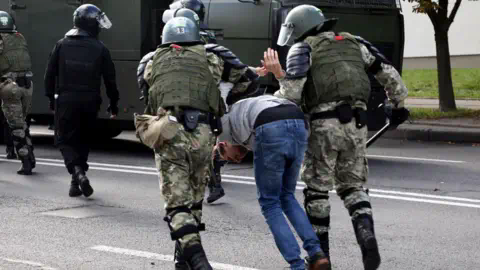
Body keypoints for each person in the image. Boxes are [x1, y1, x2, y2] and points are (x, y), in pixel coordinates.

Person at [261, 5, 409, 270]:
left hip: (324, 126)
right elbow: (391, 76)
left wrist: (271, 98)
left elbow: (292, 94)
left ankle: (321, 255)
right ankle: (366, 234)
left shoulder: (303, 49)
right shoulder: (355, 43)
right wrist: (397, 105)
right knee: (353, 186)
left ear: (301, 28)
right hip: (358, 123)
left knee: (317, 191)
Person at [142, 16, 259, 270]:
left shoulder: (151, 61)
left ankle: (197, 260)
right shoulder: (214, 57)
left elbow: (147, 94)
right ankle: (182, 258)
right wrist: (219, 100)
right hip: (204, 132)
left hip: (169, 130)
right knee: (194, 199)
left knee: (177, 205)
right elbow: (249, 79)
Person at [216, 95, 330, 270]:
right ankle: (316, 253)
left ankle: (297, 265)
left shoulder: (225, 128)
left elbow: (211, 132)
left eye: (229, 157)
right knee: (287, 196)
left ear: (224, 144)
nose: (238, 159)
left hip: (269, 123)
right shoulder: (245, 120)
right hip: (298, 122)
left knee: (269, 203)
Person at [138, 2, 229, 203]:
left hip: (179, 107)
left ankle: (203, 190)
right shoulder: (207, 36)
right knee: (206, 144)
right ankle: (213, 183)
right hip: (205, 99)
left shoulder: (177, 38)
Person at [44, 4, 119, 197]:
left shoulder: (61, 44)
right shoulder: (100, 48)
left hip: (66, 101)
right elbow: (110, 79)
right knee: (83, 140)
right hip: (90, 101)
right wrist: (114, 103)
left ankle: (76, 171)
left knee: (63, 140)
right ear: (92, 24)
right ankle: (75, 183)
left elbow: (49, 75)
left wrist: (50, 99)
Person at [0, 10, 35, 174]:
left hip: (10, 87)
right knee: (23, 123)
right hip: (27, 86)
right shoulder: (20, 37)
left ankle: (26, 162)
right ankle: (32, 157)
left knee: (16, 128)